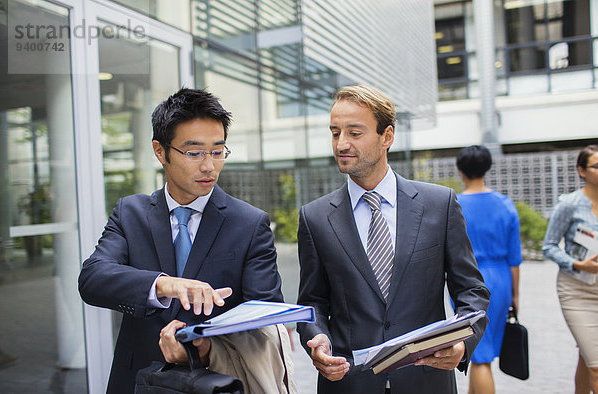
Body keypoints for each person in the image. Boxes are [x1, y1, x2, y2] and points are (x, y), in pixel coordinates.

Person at [78, 88, 284, 394]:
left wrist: (206, 346)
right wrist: (165, 285)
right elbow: (93, 278)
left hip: (216, 380)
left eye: (217, 151)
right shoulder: (130, 213)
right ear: (160, 151)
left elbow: (266, 316)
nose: (209, 166)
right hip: (138, 380)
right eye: (194, 152)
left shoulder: (249, 223)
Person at [296, 84, 490, 394]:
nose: (341, 144)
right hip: (349, 383)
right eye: (335, 133)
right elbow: (312, 302)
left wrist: (462, 344)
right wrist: (316, 339)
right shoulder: (315, 217)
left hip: (426, 380)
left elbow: (471, 290)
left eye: (354, 133)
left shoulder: (439, 204)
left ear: (387, 136)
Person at [455, 145, 522, 394]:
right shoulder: (505, 204)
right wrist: (515, 294)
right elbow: (515, 257)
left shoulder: (455, 205)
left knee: (480, 355)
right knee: (481, 353)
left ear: (460, 170)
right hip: (501, 278)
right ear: (487, 168)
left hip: (468, 281)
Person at [543, 144, 598, 394]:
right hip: (577, 291)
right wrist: (576, 263)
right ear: (582, 171)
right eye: (596, 166)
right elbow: (549, 246)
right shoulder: (570, 204)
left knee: (589, 359)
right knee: (597, 364)